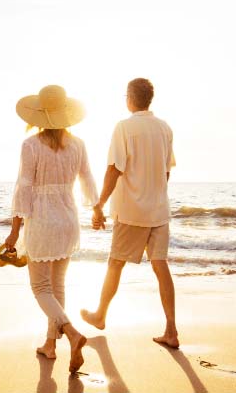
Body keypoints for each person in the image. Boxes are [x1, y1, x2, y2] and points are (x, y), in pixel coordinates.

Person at [5, 84, 98, 373]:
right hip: (69, 218)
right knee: (57, 285)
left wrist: (14, 229)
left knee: (41, 287)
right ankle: (50, 344)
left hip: (43, 220)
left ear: (40, 115)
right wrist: (96, 208)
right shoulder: (78, 144)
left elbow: (24, 188)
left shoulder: (31, 145)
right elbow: (87, 178)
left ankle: (70, 333)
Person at [81, 78, 180, 348]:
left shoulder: (124, 127)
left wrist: (99, 204)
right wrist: (155, 195)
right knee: (161, 266)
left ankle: (100, 315)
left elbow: (115, 169)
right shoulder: (165, 128)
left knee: (115, 263)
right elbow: (166, 171)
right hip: (159, 210)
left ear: (130, 98)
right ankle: (171, 330)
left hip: (132, 211)